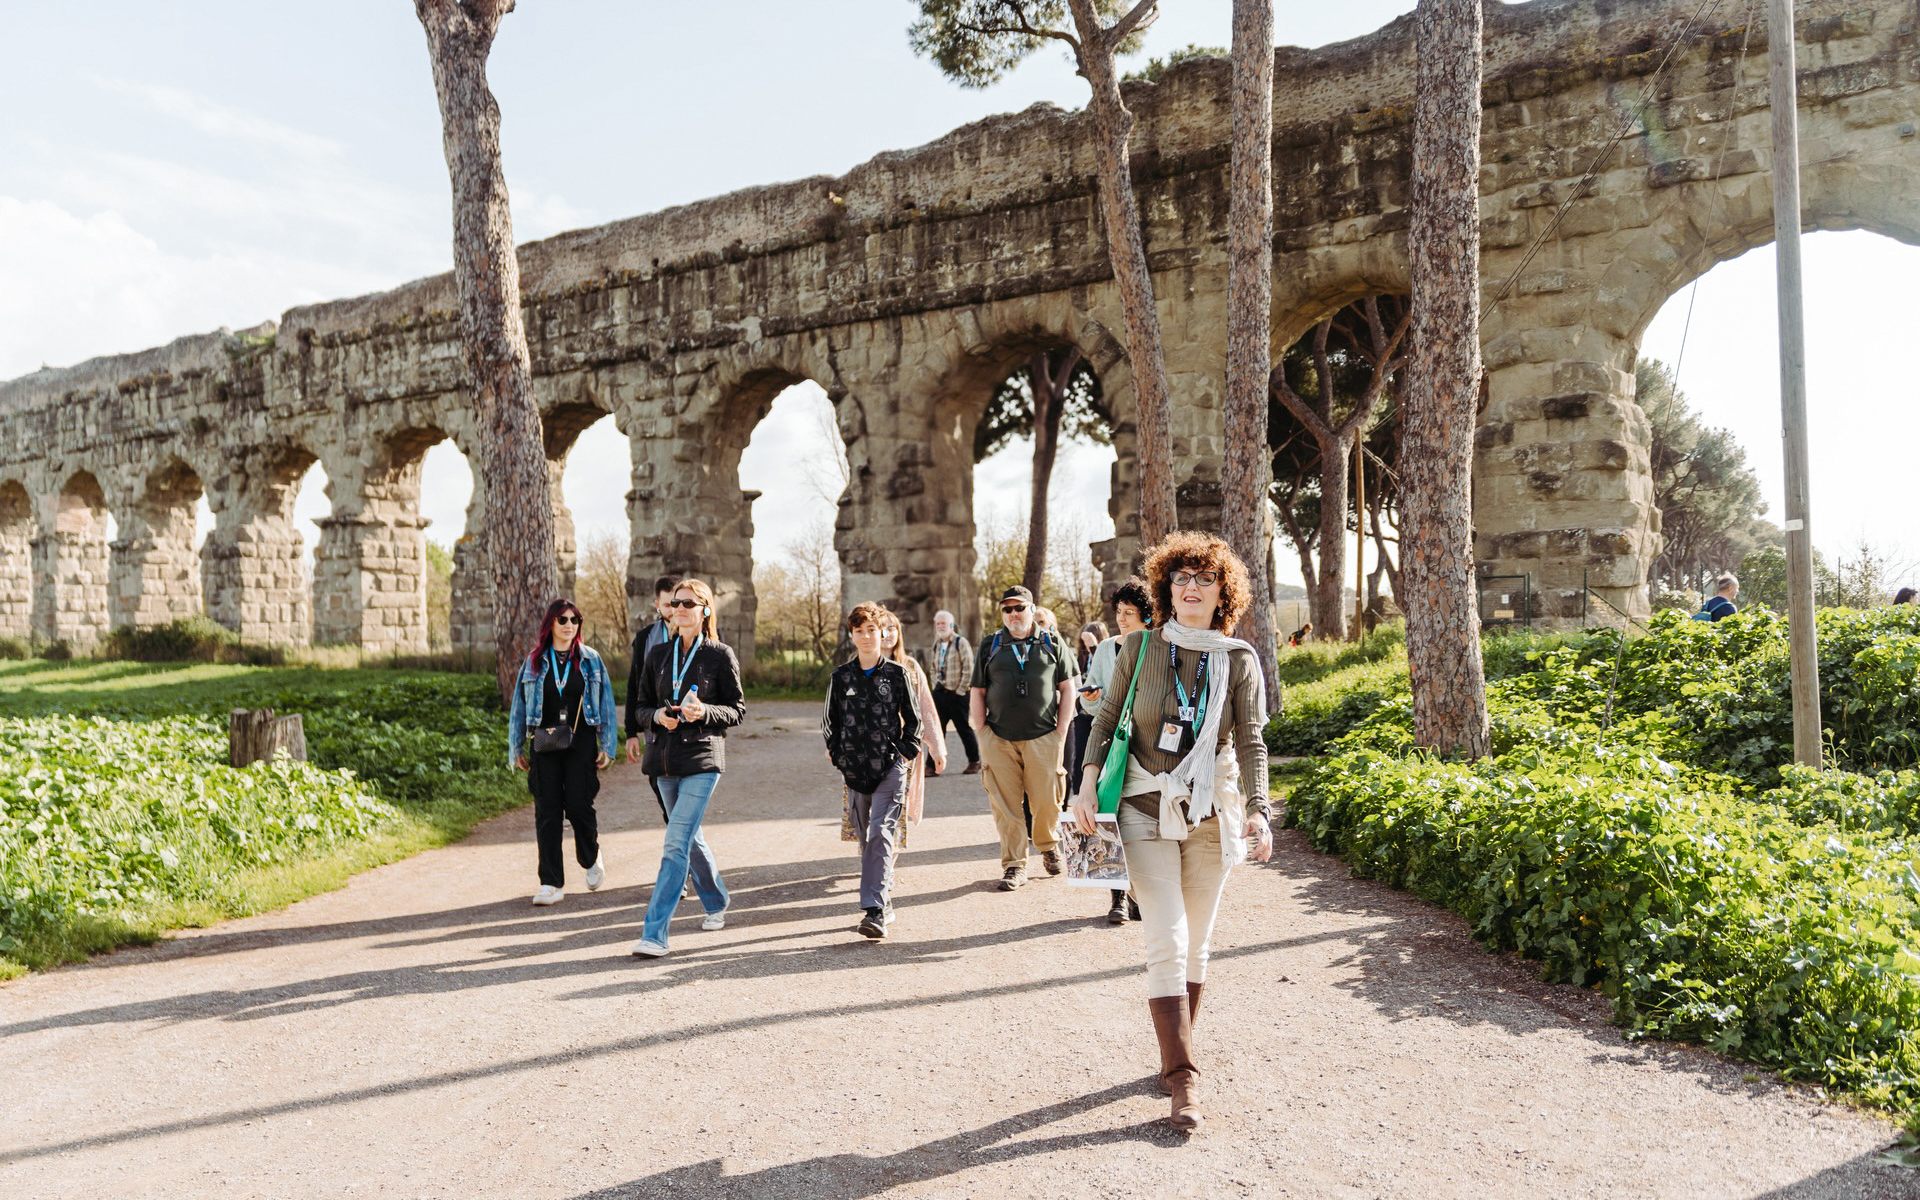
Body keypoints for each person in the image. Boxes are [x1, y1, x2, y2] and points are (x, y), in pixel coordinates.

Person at [1072, 532, 1273, 1133]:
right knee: (1167, 933)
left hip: (1213, 808)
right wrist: (1084, 786)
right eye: (1181, 578)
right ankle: (1182, 1076)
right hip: (1141, 804)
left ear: (1222, 594)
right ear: (1166, 588)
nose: (1190, 588)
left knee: (1198, 942)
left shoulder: (1238, 659)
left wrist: (1259, 809)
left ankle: (1172, 1047)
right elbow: (1106, 719)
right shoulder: (1137, 647)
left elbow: (1251, 741)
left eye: (1203, 580)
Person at [629, 579, 746, 958]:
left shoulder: (720, 655)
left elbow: (736, 710)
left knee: (675, 841)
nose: (680, 609)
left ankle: (654, 933)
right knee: (689, 837)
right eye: (676, 603)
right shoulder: (658, 654)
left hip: (702, 759)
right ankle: (716, 901)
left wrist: (705, 712)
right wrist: (658, 716)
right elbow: (640, 706)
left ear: (705, 610)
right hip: (663, 760)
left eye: (689, 604)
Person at [507, 598, 620, 906]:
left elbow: (607, 703)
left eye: (575, 620)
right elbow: (518, 707)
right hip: (543, 741)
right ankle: (551, 882)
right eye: (563, 620)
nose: (570, 625)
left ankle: (590, 855)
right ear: (551, 624)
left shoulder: (591, 660)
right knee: (547, 811)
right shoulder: (534, 661)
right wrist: (516, 746)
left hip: (580, 739)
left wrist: (608, 745)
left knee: (580, 805)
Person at [823, 605, 925, 939]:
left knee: (882, 832)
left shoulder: (897, 674)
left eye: (872, 630)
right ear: (851, 635)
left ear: (882, 633)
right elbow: (830, 724)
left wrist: (905, 753)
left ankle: (874, 910)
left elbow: (914, 720)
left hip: (890, 768)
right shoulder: (841, 677)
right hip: (855, 771)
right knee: (867, 838)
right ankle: (884, 895)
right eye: (859, 631)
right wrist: (840, 757)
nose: (866, 637)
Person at [970, 585, 1077, 891]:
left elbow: (1068, 687)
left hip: (1043, 737)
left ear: (1032, 609)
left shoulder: (1052, 642)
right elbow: (977, 691)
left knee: (1046, 802)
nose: (1014, 614)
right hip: (999, 738)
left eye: (1019, 608)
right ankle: (1015, 865)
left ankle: (1047, 843)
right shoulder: (991, 645)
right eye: (1008, 609)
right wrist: (982, 732)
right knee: (1006, 806)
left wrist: (1061, 731)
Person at [1080, 578, 1152, 926]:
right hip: (1111, 746)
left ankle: (1140, 896)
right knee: (1112, 816)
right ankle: (1118, 899)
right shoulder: (1105, 649)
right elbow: (1089, 704)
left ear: (1147, 616)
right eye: (1119, 612)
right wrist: (1091, 699)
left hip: (1146, 746)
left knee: (1141, 823)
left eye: (1130, 612)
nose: (1122, 619)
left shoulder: (1155, 648)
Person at [880, 609, 946, 837]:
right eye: (881, 627)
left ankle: (887, 861)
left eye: (892, 628)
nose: (887, 633)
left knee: (898, 803)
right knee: (871, 807)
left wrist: (936, 748)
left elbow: (925, 708)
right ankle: (873, 856)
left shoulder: (910, 667)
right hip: (869, 749)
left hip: (903, 748)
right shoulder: (859, 666)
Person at [627, 575, 682, 821]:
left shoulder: (701, 637)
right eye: (669, 604)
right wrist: (631, 732)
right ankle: (681, 852)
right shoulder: (645, 638)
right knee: (667, 804)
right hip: (655, 729)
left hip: (688, 732)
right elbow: (634, 685)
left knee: (684, 808)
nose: (675, 609)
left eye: (680, 602)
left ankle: (681, 853)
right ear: (657, 605)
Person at [925, 610, 981, 776]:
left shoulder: (960, 642)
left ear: (951, 625)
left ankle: (974, 761)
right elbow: (933, 668)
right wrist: (936, 685)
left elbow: (969, 668)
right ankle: (932, 765)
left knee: (963, 728)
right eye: (938, 624)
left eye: (943, 623)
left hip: (957, 694)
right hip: (940, 693)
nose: (940, 626)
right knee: (936, 730)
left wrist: (961, 690)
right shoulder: (937, 644)